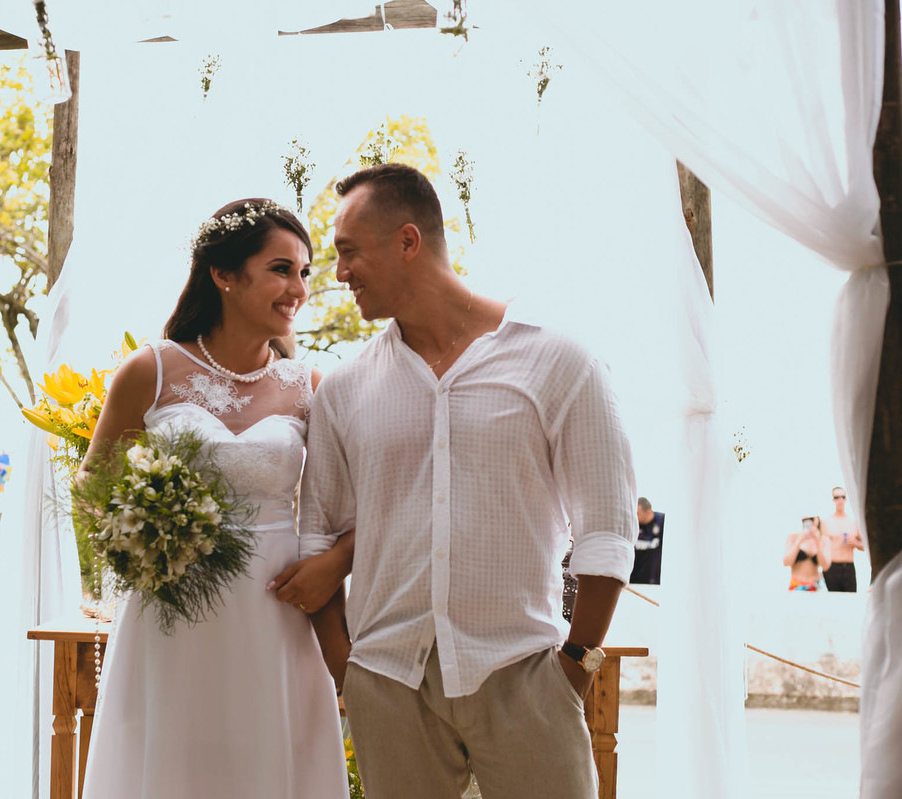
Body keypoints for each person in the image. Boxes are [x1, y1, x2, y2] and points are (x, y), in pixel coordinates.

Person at [288, 163, 637, 799]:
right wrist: (349, 675)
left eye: (348, 252)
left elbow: (608, 532)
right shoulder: (343, 390)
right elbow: (317, 535)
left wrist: (575, 667)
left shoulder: (560, 361)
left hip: (526, 675)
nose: (338, 274)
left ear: (408, 241)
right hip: (388, 683)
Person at [77, 199, 349, 798]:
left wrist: (334, 566)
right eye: (282, 269)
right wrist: (147, 535)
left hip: (276, 610)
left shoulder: (311, 388)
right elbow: (92, 486)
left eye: (305, 272)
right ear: (223, 275)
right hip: (172, 613)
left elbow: (343, 511)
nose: (298, 288)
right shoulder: (149, 371)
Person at [821, 486, 863, 592]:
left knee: (851, 600)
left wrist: (855, 542)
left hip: (848, 566)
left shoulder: (853, 522)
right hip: (832, 567)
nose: (840, 500)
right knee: (833, 602)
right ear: (833, 500)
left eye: (843, 497)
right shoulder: (826, 522)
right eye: (837, 497)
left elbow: (864, 546)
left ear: (846, 500)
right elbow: (821, 547)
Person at [782, 516, 831, 591]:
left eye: (811, 519)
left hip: (816, 585)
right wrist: (799, 540)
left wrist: (817, 541)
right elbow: (786, 562)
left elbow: (825, 566)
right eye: (805, 520)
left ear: (817, 520)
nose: (808, 522)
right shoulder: (793, 537)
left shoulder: (823, 540)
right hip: (797, 584)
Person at [630, 497, 664, 585]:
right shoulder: (632, 524)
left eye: (638, 513)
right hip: (633, 579)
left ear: (648, 512)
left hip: (653, 580)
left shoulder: (662, 521)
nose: (635, 517)